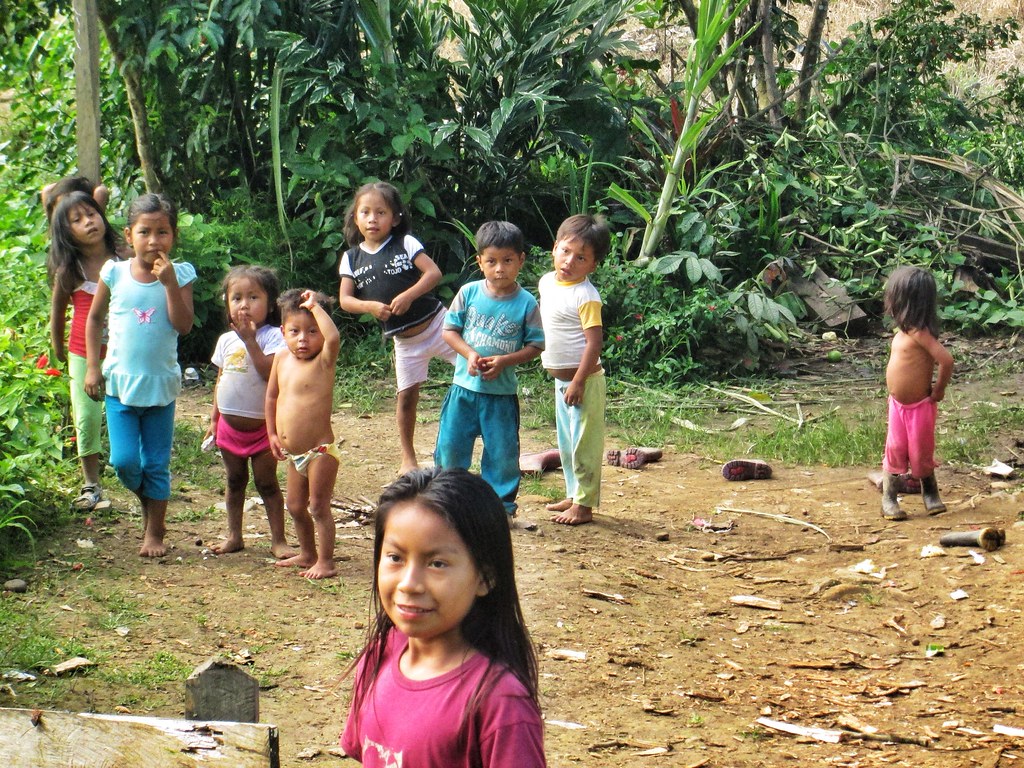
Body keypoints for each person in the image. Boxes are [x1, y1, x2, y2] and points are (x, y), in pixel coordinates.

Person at [340, 468, 545, 767]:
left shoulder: (500, 701)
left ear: (485, 579)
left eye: (437, 563)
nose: (409, 583)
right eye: (396, 557)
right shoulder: (379, 655)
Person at [84, 193, 196, 557]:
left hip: (161, 387)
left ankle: (155, 532)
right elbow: (95, 318)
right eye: (145, 232)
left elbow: (183, 325)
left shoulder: (180, 275)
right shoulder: (114, 273)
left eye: (162, 232)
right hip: (119, 387)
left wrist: (168, 285)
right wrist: (91, 366)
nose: (154, 241)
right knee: (124, 462)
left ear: (173, 236)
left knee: (157, 464)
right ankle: (150, 505)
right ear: (129, 235)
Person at [337, 181, 455, 474]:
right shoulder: (352, 258)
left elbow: (433, 273)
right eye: (365, 212)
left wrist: (408, 295)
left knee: (473, 372)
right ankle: (408, 458)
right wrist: (370, 307)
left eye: (380, 212)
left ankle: (476, 438)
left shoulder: (405, 243)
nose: (372, 219)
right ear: (356, 218)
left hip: (439, 325)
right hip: (405, 342)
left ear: (396, 217)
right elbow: (345, 299)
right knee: (406, 397)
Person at [434, 221, 544, 517]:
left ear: (520, 260)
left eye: (508, 261)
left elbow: (536, 346)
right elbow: (449, 331)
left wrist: (504, 361)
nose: (500, 269)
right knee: (451, 446)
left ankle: (500, 508)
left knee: (502, 453)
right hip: (464, 390)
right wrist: (469, 355)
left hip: (501, 394)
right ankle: (446, 498)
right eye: (492, 261)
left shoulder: (526, 303)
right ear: (479, 261)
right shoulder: (469, 293)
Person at [206, 265, 294, 558]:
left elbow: (271, 373)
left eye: (253, 297)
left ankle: (278, 540)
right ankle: (234, 535)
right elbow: (222, 379)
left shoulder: (275, 337)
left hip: (262, 430)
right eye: (237, 298)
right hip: (229, 428)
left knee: (267, 483)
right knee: (234, 481)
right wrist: (214, 418)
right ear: (227, 303)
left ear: (270, 303)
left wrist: (250, 341)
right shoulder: (225, 340)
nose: (244, 305)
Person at [47, 191, 120, 511]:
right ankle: (91, 483)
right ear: (66, 233)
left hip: (123, 351)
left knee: (126, 410)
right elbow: (57, 311)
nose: (88, 221)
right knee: (87, 418)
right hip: (81, 352)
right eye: (76, 220)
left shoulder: (125, 258)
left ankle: (138, 473)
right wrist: (57, 347)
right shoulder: (70, 271)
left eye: (91, 213)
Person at [538, 214, 610, 526]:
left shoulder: (586, 295)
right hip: (561, 383)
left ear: (593, 265)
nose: (570, 261)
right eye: (566, 251)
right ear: (554, 249)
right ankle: (572, 492)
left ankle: (585, 505)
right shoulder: (546, 282)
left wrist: (579, 381)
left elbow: (594, 343)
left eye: (581, 257)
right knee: (567, 444)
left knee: (584, 445)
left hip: (584, 382)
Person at [266, 289, 341, 579]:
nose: (303, 339)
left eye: (312, 331)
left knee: (318, 506)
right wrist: (272, 433)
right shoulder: (281, 359)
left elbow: (333, 338)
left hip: (319, 451)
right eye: (295, 331)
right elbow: (272, 397)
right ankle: (307, 553)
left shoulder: (324, 361)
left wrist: (315, 307)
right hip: (293, 453)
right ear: (283, 331)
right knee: (295, 505)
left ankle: (326, 561)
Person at [880, 265, 954, 520]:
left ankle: (931, 494)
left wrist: (938, 390)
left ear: (907, 302)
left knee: (921, 451)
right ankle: (889, 498)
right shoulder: (903, 331)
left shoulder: (921, 335)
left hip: (919, 407)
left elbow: (947, 360)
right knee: (896, 448)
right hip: (897, 405)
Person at [42, 175, 110, 221]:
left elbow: (101, 192)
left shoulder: (87, 224)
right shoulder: (57, 224)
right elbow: (46, 191)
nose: (61, 212)